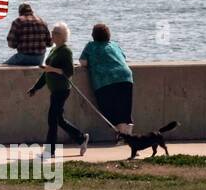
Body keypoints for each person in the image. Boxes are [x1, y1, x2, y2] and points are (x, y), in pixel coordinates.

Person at [27, 22, 88, 157]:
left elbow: (69, 71)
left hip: (62, 90)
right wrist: (36, 87)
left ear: (61, 36)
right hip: (54, 90)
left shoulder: (66, 51)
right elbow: (46, 72)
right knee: (58, 119)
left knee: (52, 119)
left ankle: (50, 151)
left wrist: (51, 69)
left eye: (54, 33)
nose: (51, 35)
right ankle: (81, 138)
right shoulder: (55, 49)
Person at [79, 23, 134, 134]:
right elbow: (123, 57)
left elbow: (83, 62)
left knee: (109, 110)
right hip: (125, 77)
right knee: (124, 109)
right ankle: (127, 134)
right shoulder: (114, 45)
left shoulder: (90, 46)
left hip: (104, 81)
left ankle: (123, 135)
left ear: (93, 35)